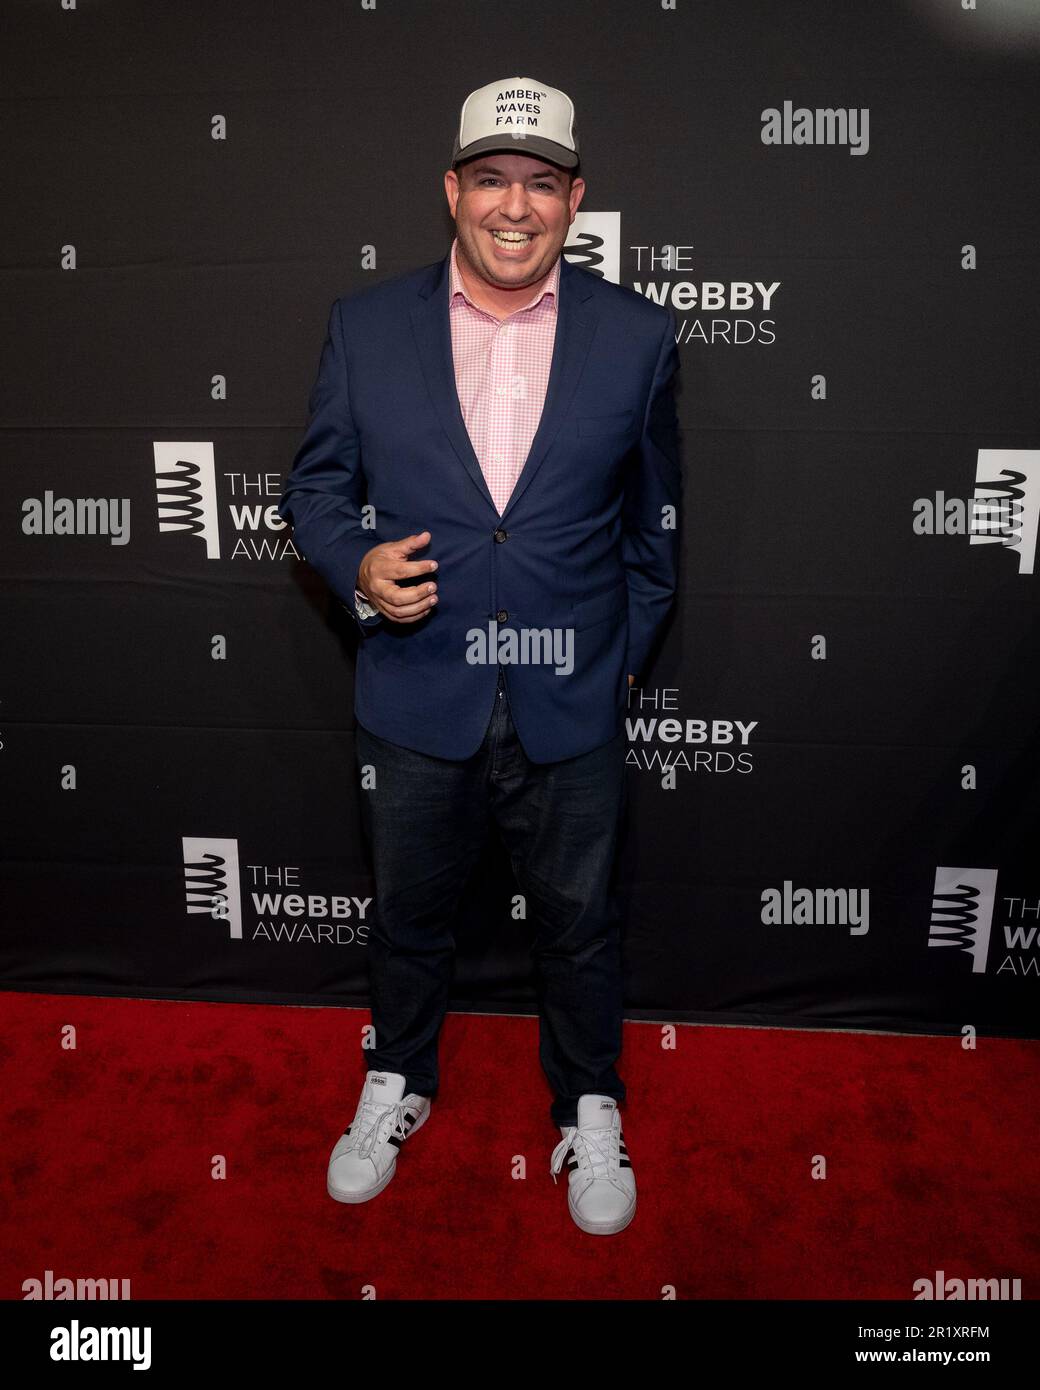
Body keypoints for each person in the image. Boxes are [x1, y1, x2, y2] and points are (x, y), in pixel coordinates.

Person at [277, 76, 681, 1235]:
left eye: (541, 184)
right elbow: (313, 487)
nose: (516, 206)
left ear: (574, 198)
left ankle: (588, 1099)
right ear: (452, 190)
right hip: (416, 691)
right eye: (493, 179)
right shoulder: (364, 325)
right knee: (407, 910)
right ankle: (396, 1077)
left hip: (573, 696)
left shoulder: (640, 336)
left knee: (580, 920)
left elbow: (657, 529)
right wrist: (354, 565)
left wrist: (621, 667)